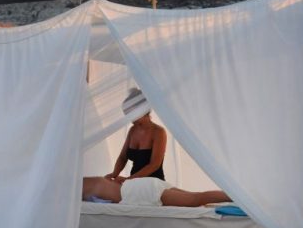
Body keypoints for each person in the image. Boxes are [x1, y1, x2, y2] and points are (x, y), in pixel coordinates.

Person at [106, 88, 167, 182]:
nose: (128, 117)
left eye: (130, 113)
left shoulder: (158, 132)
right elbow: (123, 157)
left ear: (143, 109)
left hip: (153, 183)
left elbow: (154, 165)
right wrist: (114, 174)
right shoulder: (132, 130)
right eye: (126, 114)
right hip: (133, 183)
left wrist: (128, 180)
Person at [82, 176, 230, 207]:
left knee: (195, 200)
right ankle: (234, 196)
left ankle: (235, 197)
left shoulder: (80, 186)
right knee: (195, 197)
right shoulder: (92, 181)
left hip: (141, 192)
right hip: (140, 185)